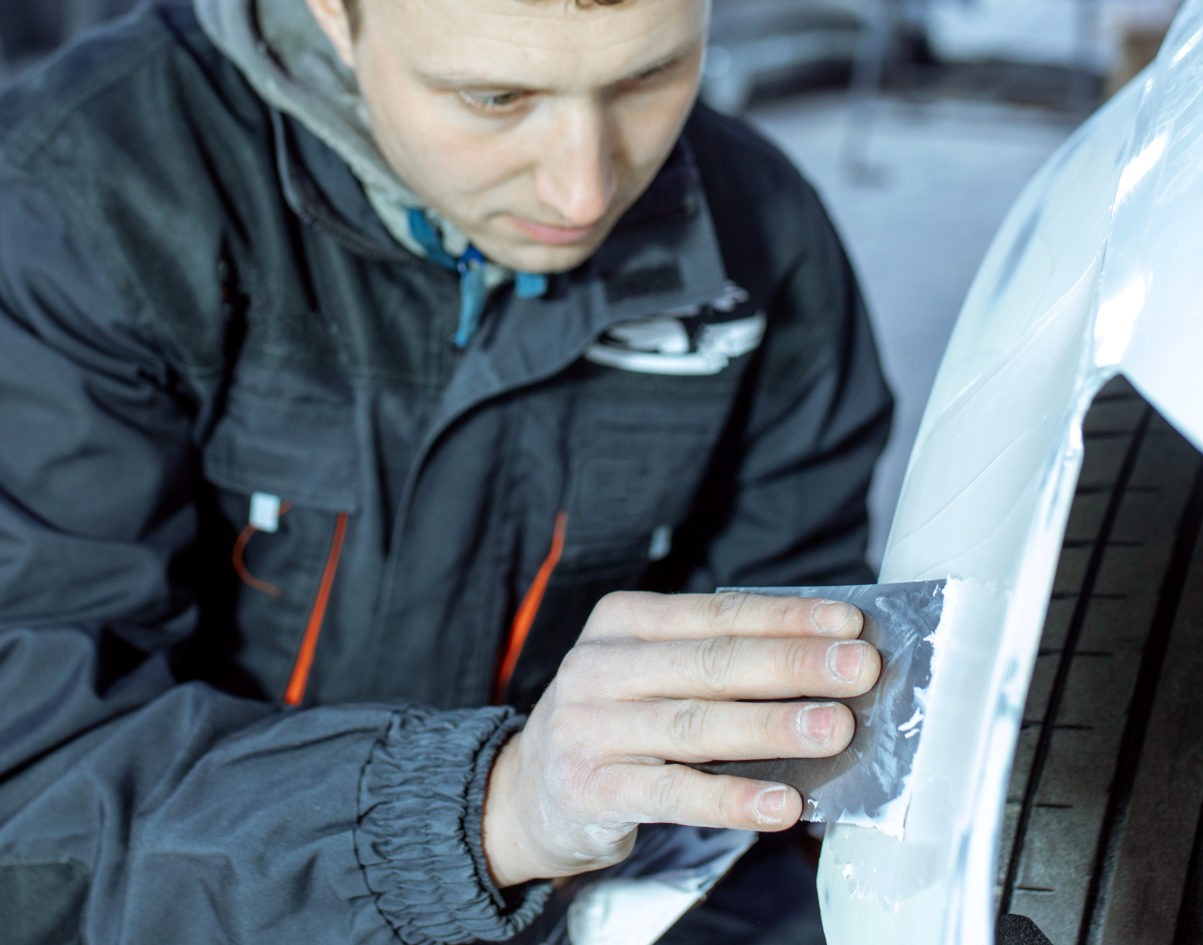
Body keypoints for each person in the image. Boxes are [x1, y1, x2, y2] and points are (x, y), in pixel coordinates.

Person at [0, 0, 894, 941]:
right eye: (495, 96)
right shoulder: (73, 204)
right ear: (334, 17)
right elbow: (32, 795)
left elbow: (765, 792)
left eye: (647, 77)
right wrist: (490, 812)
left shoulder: (762, 238)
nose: (584, 190)